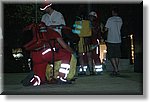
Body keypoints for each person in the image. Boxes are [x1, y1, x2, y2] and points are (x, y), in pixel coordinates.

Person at [104, 7, 123, 76]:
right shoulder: (120, 19)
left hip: (111, 39)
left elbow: (106, 29)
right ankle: (116, 69)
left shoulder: (110, 19)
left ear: (113, 12)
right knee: (117, 55)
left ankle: (116, 69)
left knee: (111, 56)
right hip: (118, 39)